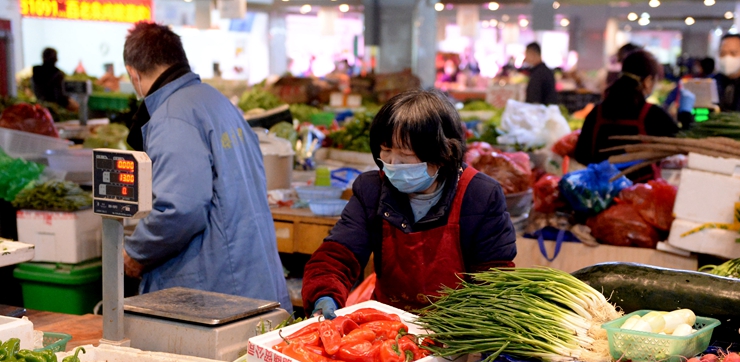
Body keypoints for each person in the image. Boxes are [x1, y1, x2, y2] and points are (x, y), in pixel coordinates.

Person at [121, 22, 291, 311]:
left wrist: (136, 252)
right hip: (251, 277)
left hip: (214, 290)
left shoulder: (172, 116)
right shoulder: (216, 101)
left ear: (133, 74)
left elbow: (180, 208)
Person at [301, 90, 517, 316]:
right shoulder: (372, 190)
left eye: (404, 155)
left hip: (457, 332)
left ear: (443, 154)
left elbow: (493, 281)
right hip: (388, 328)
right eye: (385, 151)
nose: (392, 164)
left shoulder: (480, 195)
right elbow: (338, 255)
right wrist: (324, 294)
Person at [574, 50, 679, 166]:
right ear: (648, 81)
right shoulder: (653, 115)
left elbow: (581, 155)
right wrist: (685, 115)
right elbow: (682, 143)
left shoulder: (596, 113)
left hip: (599, 184)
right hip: (643, 184)